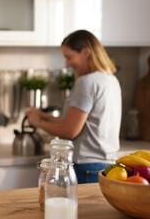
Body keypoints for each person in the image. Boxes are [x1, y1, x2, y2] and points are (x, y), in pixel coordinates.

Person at [25, 30, 121, 184]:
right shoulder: (110, 80)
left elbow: (70, 131)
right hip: (105, 167)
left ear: (85, 52)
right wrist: (46, 117)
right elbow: (86, 123)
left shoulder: (87, 82)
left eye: (69, 57)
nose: (67, 64)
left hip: (86, 167)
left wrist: (39, 123)